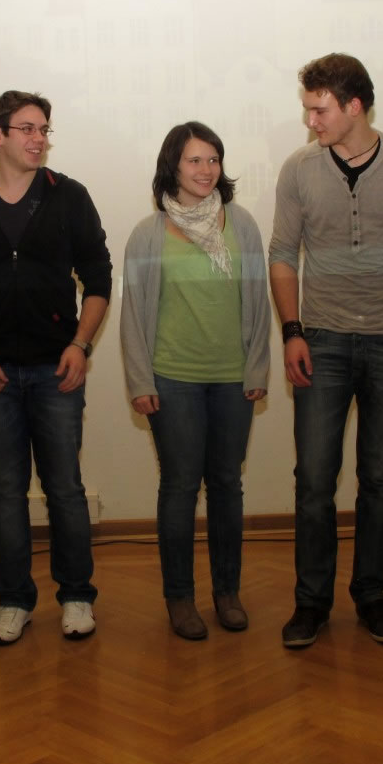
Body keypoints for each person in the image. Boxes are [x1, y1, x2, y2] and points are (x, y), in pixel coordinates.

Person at [269, 54, 383, 648]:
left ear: (353, 106)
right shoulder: (298, 169)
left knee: (379, 479)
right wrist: (292, 331)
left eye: (319, 110)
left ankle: (371, 595)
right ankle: (311, 602)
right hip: (320, 341)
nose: (310, 121)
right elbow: (282, 254)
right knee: (314, 481)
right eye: (307, 109)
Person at [0, 90, 112, 645]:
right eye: (28, 129)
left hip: (57, 370)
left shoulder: (68, 196)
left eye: (44, 129)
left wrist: (80, 344)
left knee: (66, 489)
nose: (39, 139)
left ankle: (77, 596)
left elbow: (99, 278)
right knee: (6, 491)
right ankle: (13, 600)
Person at [121, 122, 270, 640]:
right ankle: (180, 599)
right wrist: (140, 380)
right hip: (172, 379)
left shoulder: (242, 224)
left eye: (213, 159)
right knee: (180, 487)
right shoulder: (148, 233)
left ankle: (227, 593)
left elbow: (258, 302)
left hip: (232, 379)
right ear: (173, 166)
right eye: (194, 160)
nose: (206, 170)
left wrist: (257, 367)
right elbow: (133, 315)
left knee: (227, 485)